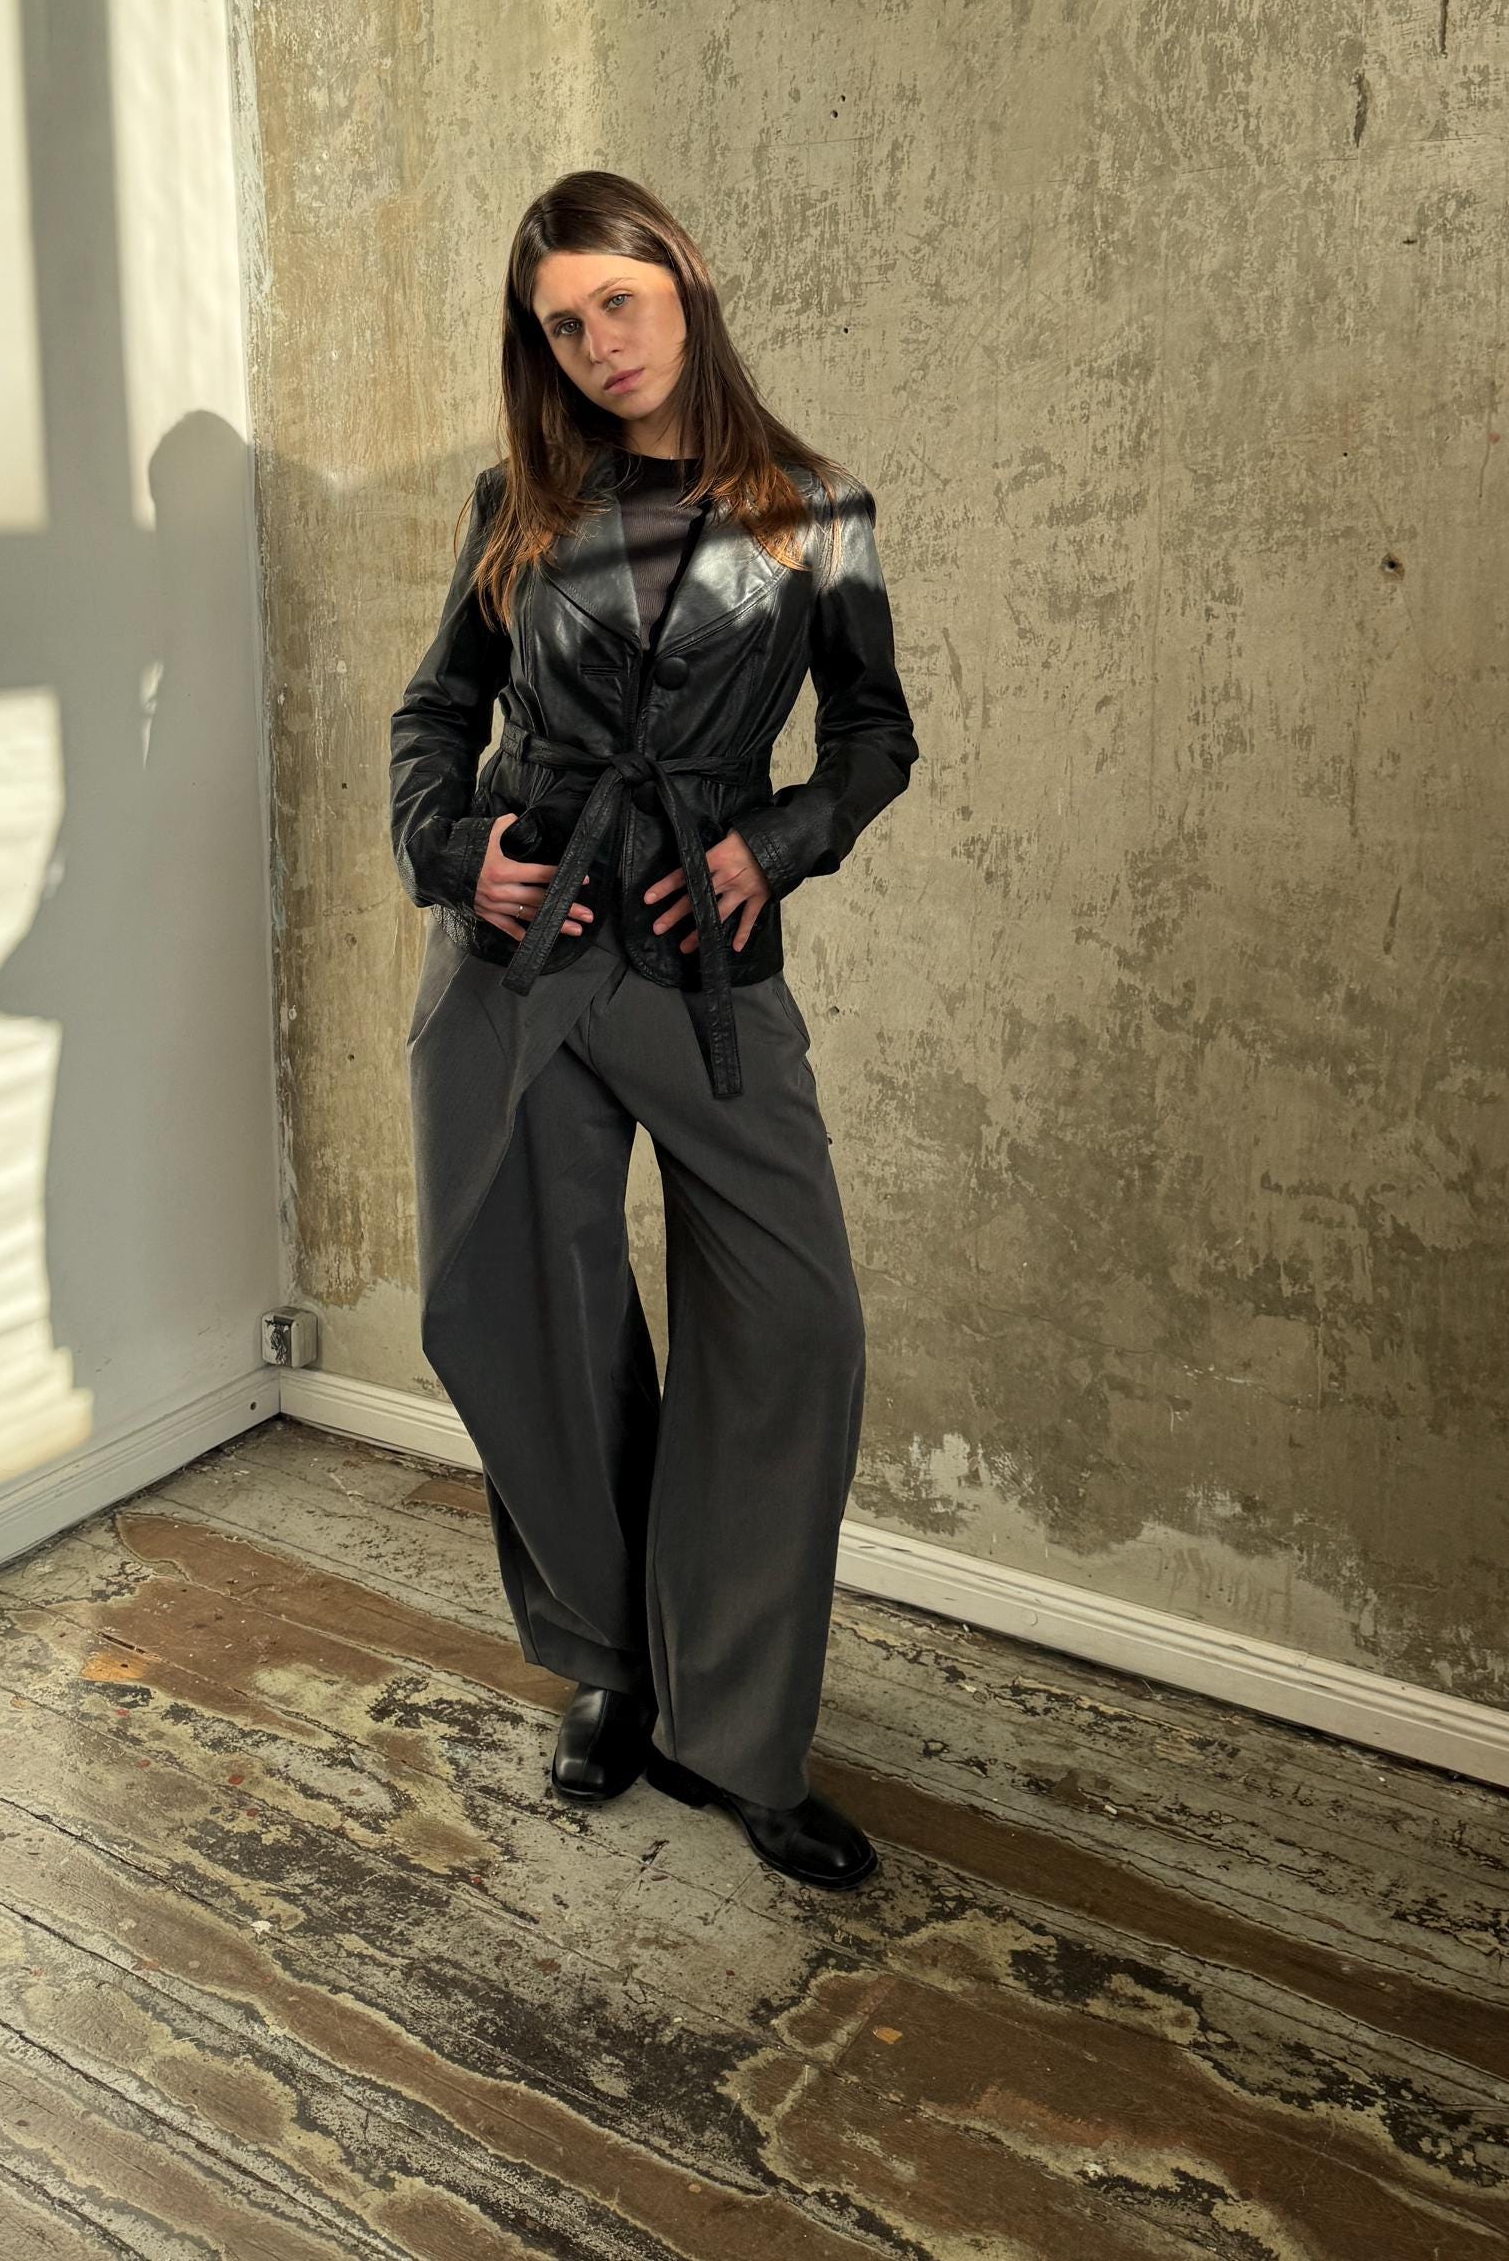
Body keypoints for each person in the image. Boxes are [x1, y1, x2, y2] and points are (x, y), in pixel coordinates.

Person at [389, 169, 917, 1890]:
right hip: (520, 972)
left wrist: (780, 841)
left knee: (796, 1335)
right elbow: (436, 712)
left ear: (680, 283)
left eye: (617, 301)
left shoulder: (813, 509)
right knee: (521, 1322)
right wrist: (454, 851)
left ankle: (736, 1731)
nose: (596, 343)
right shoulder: (516, 504)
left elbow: (870, 741)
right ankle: (612, 1668)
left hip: (705, 982)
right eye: (561, 324)